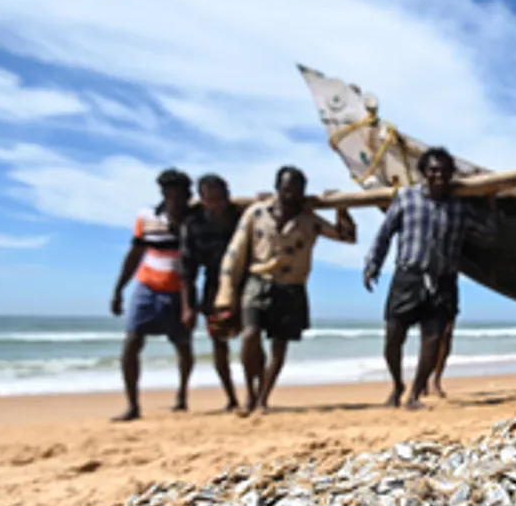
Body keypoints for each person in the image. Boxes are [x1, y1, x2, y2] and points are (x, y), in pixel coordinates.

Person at [213, 166, 356, 414]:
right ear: (278, 188)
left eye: (298, 189)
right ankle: (250, 393)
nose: (292, 194)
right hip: (258, 282)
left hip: (292, 287)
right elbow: (235, 253)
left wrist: (341, 208)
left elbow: (346, 236)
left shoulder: (310, 220)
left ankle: (263, 398)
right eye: (287, 188)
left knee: (279, 346)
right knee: (250, 335)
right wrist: (226, 291)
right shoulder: (256, 213)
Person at [363, 147, 496, 410]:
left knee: (433, 339)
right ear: (424, 172)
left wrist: (491, 199)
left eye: (444, 170)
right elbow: (385, 233)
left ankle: (414, 393)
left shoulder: (460, 207)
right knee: (393, 336)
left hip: (444, 280)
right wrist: (373, 264)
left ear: (451, 174)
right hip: (408, 276)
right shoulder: (406, 198)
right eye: (433, 170)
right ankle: (397, 385)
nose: (439, 175)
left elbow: (489, 231)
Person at [109, 168, 195, 421]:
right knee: (132, 341)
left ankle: (182, 395)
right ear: (164, 194)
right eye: (171, 195)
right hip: (146, 286)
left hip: (180, 290)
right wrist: (118, 290)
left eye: (181, 195)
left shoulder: (193, 220)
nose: (176, 200)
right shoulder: (146, 217)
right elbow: (134, 255)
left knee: (183, 346)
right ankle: (133, 405)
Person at [180, 174, 243, 411]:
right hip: (214, 289)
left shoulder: (241, 216)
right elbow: (187, 269)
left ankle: (255, 394)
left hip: (244, 283)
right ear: (203, 200)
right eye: (211, 199)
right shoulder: (193, 224)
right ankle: (231, 397)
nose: (217, 204)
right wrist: (188, 306)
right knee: (219, 343)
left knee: (251, 337)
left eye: (221, 198)